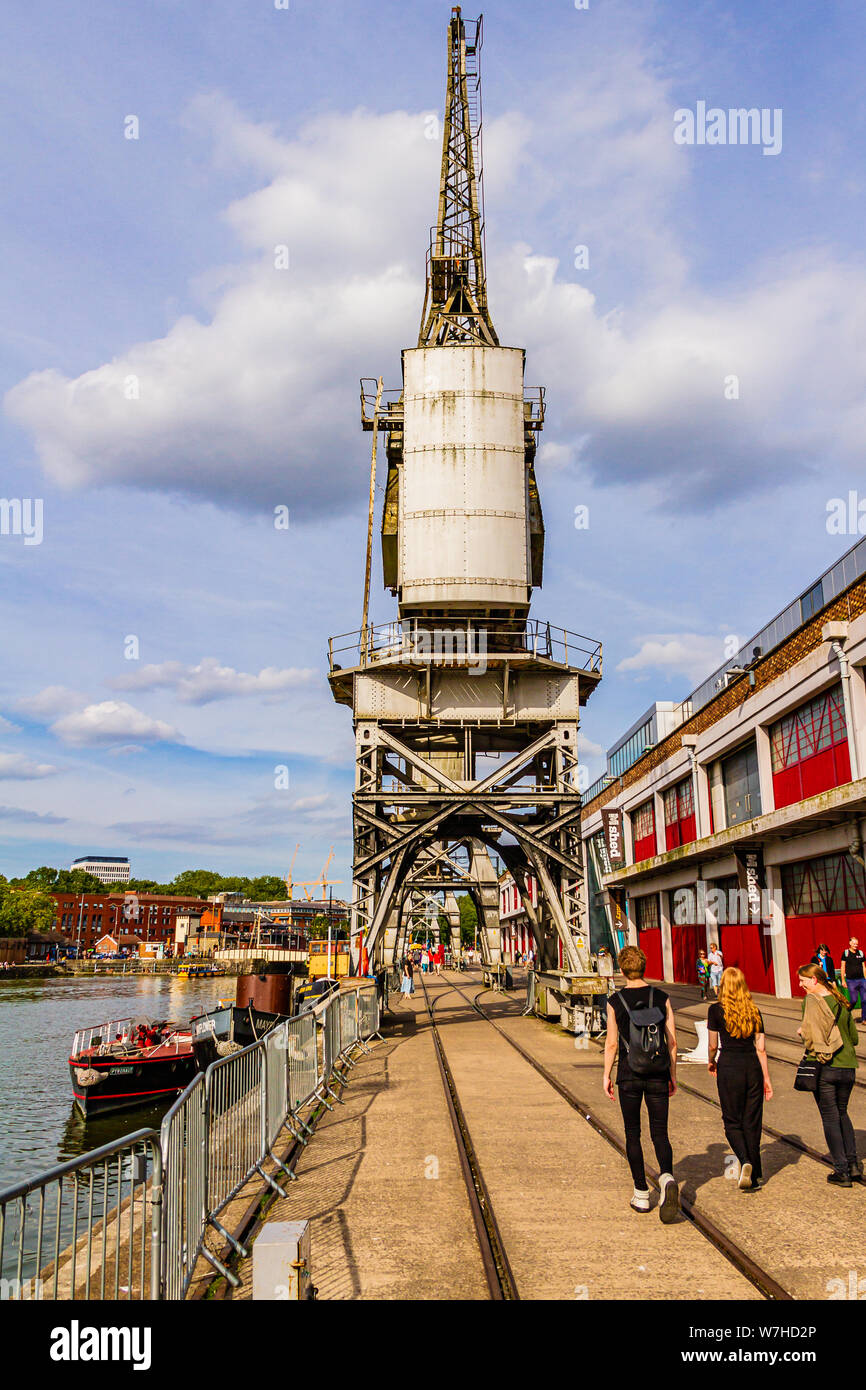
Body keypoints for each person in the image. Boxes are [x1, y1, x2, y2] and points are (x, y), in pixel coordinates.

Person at [603, 944, 679, 1221]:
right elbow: (672, 1041)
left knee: (632, 1132)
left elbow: (611, 1044)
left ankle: (641, 1194)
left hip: (629, 1074)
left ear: (622, 971)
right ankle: (667, 1177)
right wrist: (672, 1075)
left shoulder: (614, 1001)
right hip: (658, 1073)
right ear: (644, 967)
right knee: (660, 1132)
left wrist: (606, 1076)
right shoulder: (662, 997)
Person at [707, 967, 773, 1191]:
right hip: (752, 1067)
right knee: (752, 1121)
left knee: (732, 1121)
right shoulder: (754, 1011)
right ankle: (754, 1174)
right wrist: (766, 1079)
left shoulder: (715, 1011)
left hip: (729, 1067)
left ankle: (745, 1161)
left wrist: (711, 1060)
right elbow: (761, 1049)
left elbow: (713, 1044)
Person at [797, 962, 862, 1186]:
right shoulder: (841, 999)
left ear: (814, 980)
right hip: (848, 1067)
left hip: (825, 1067)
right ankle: (853, 1165)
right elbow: (853, 1038)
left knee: (830, 1117)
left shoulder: (811, 1000)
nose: (800, 985)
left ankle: (841, 1171)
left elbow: (810, 1036)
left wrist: (801, 1032)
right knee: (842, 1113)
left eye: (803, 980)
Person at [841, 937, 866, 1025]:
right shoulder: (846, 953)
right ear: (850, 943)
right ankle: (846, 1013)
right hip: (851, 981)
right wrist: (843, 980)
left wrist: (865, 978)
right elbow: (843, 967)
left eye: (857, 944)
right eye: (854, 943)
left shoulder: (861, 953)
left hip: (862, 980)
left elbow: (863, 967)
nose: (856, 945)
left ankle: (864, 1019)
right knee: (854, 1000)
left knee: (865, 1000)